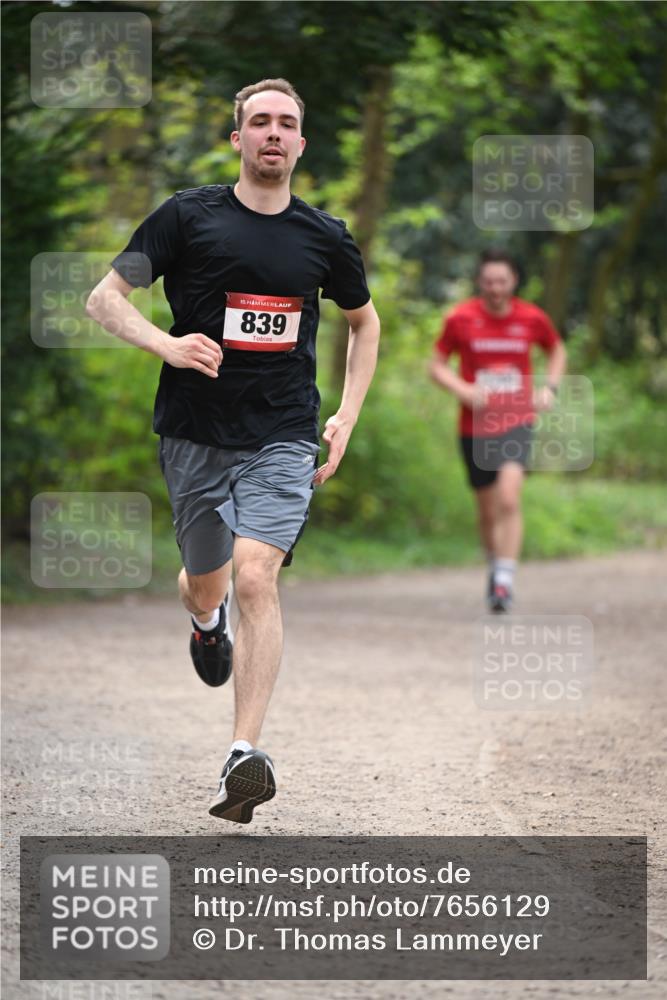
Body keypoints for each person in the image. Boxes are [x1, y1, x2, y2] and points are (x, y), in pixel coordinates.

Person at [86, 78, 380, 823]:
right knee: (205, 583)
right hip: (194, 431)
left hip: (283, 431)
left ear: (301, 143)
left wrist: (346, 414)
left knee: (256, 577)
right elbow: (104, 300)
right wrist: (167, 345)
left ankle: (242, 754)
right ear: (238, 138)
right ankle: (203, 621)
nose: (272, 133)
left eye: (285, 123)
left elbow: (364, 322)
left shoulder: (324, 236)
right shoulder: (187, 217)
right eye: (259, 122)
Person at [430, 249, 566, 612]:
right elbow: (437, 365)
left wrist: (550, 388)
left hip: (517, 419)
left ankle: (504, 581)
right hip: (474, 426)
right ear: (480, 281)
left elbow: (556, 350)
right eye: (489, 281)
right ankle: (495, 566)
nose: (495, 288)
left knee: (509, 497)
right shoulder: (460, 318)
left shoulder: (532, 318)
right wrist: (462, 389)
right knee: (488, 510)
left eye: (502, 281)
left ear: (514, 281)